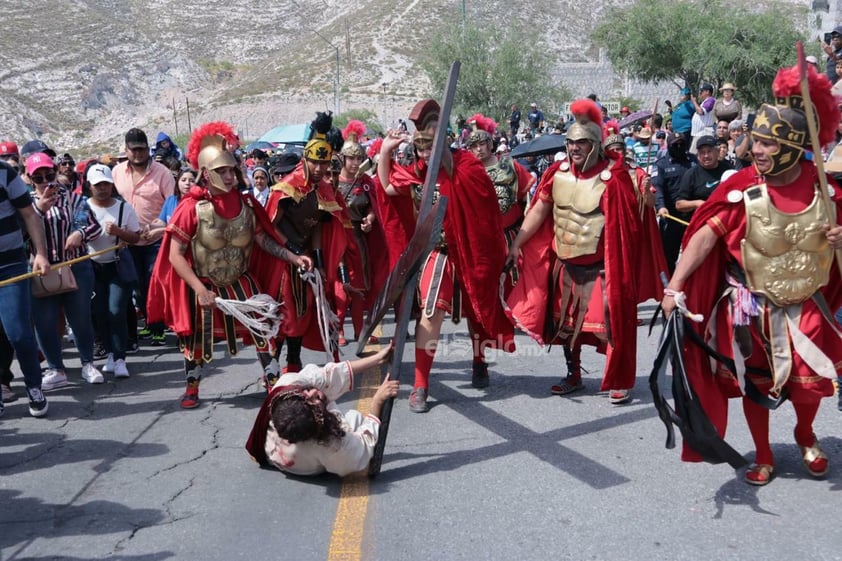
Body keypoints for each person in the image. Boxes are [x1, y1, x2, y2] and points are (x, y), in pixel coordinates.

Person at [660, 64, 842, 486]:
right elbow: (705, 236)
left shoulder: (827, 192)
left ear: (792, 146)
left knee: (807, 384)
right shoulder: (741, 186)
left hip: (806, 304)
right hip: (750, 305)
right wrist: (675, 285)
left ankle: (804, 434)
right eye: (754, 140)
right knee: (755, 383)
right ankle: (763, 454)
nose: (753, 149)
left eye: (765, 143)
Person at [147, 122, 310, 408]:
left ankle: (273, 384)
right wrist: (199, 289)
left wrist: (292, 257)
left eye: (231, 170)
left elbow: (263, 241)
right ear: (206, 174)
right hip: (204, 282)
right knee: (196, 339)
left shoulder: (247, 204)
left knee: (264, 328)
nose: (229, 176)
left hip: (241, 279)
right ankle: (192, 387)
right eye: (221, 171)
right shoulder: (190, 208)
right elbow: (174, 255)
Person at [378, 99, 514, 410]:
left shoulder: (467, 166)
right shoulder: (417, 172)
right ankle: (422, 385)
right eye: (422, 146)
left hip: (471, 249)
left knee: (478, 306)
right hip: (437, 251)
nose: (426, 152)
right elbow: (386, 188)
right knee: (430, 311)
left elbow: (487, 213)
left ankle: (479, 361)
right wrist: (385, 151)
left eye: (432, 145)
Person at [506, 98, 640, 404]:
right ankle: (574, 375)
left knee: (610, 324)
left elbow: (625, 229)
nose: (574, 148)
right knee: (566, 326)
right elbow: (540, 210)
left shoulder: (613, 178)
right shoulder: (556, 173)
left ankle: (617, 379)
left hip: (602, 267)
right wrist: (517, 244)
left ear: (594, 144)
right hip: (565, 264)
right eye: (570, 142)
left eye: (580, 143)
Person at [266, 112, 348, 372]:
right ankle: (271, 367)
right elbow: (271, 226)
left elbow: (317, 227)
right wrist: (292, 251)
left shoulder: (323, 190)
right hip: (281, 259)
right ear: (306, 160)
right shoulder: (286, 189)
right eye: (315, 163)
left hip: (305, 259)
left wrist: (320, 262)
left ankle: (293, 362)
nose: (320, 169)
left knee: (302, 313)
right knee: (283, 314)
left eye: (324, 165)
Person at [245, 343, 399, 477]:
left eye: (307, 395)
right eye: (316, 401)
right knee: (354, 418)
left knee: (318, 384)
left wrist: (378, 358)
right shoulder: (330, 443)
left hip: (278, 456)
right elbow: (362, 451)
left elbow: (328, 375)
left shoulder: (286, 388)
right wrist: (377, 402)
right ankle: (328, 462)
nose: (313, 393)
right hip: (307, 468)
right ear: (319, 425)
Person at [26, 152, 104, 390]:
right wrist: (39, 208)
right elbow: (19, 235)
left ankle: (88, 362)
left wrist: (80, 234)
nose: (45, 181)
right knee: (45, 321)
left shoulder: (72, 198)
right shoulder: (26, 206)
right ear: (30, 179)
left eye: (49, 175)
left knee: (80, 318)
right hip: (42, 270)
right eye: (38, 177)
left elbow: (93, 225)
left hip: (75, 265)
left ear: (56, 172)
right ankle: (55, 368)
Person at [112, 127, 175, 347]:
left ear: (148, 149)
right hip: (126, 240)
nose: (138, 153)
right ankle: (147, 322)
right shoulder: (117, 172)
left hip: (154, 239)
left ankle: (158, 325)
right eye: (133, 149)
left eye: (141, 149)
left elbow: (171, 206)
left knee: (153, 281)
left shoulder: (163, 173)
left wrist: (156, 227)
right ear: (127, 150)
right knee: (134, 283)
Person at [0, 159, 51, 417]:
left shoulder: (4, 172)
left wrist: (41, 253)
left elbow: (30, 214)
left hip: (10, 265)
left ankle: (34, 386)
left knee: (18, 332)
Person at [334, 120, 388, 346]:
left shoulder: (366, 182)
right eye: (351, 158)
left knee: (358, 288)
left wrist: (370, 219)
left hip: (358, 238)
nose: (355, 163)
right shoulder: (332, 181)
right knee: (340, 287)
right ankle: (337, 329)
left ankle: (360, 331)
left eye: (358, 158)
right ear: (343, 159)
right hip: (337, 239)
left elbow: (372, 207)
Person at [86, 163, 142, 379]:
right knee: (100, 313)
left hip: (116, 265)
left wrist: (119, 232)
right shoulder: (84, 208)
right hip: (92, 267)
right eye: (98, 185)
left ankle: (120, 358)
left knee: (116, 310)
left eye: (106, 184)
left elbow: (136, 237)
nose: (103, 188)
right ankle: (110, 354)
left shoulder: (123, 208)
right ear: (90, 186)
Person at [652, 133, 695, 273]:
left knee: (693, 255)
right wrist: (661, 206)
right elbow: (657, 187)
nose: (679, 147)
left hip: (693, 216)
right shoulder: (661, 165)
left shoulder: (693, 161)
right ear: (669, 146)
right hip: (671, 216)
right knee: (668, 257)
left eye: (681, 144)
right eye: (675, 145)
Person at [674, 135, 732, 216]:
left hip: (724, 218)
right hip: (701, 220)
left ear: (717, 152)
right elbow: (679, 204)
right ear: (697, 155)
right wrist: (697, 203)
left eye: (709, 151)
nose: (706, 156)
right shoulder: (691, 174)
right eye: (702, 152)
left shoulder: (728, 170)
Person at [690, 83, 716, 150]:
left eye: (702, 91)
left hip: (704, 132)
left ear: (707, 92)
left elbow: (701, 112)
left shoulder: (711, 100)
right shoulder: (705, 101)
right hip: (699, 133)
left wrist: (694, 102)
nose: (700, 93)